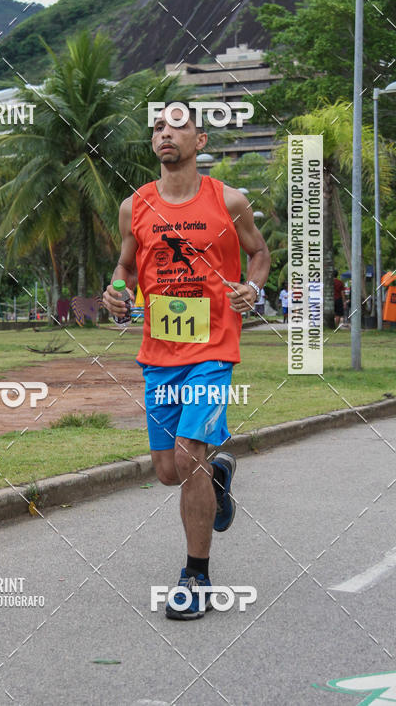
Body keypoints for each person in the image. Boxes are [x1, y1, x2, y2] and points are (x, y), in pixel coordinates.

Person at [103, 103, 270, 620]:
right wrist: (115, 291)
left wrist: (253, 288)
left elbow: (259, 255)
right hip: (159, 354)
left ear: (200, 141)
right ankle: (219, 474)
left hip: (213, 349)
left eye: (176, 128)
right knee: (166, 471)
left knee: (188, 455)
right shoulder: (136, 206)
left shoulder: (229, 200)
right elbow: (126, 268)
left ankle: (195, 577)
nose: (164, 135)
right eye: (157, 128)